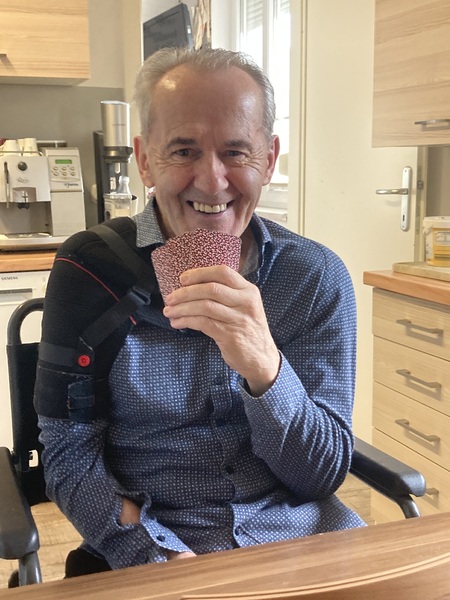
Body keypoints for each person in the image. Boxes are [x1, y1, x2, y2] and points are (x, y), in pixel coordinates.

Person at [34, 47, 365, 576]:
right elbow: (68, 456)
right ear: (145, 159)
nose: (212, 181)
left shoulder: (314, 279)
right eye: (183, 151)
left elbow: (320, 477)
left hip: (299, 542)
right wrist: (159, 557)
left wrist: (265, 368)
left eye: (236, 152)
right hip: (152, 545)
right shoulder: (92, 270)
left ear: (269, 160)